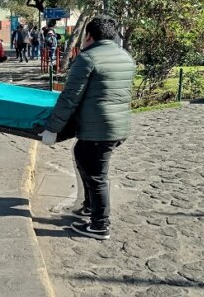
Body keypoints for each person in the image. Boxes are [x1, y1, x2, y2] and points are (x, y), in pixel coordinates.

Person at [39, 15, 136, 240]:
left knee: (96, 176)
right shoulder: (125, 57)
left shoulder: (87, 58)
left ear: (89, 35)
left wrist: (52, 128)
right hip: (118, 125)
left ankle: (100, 225)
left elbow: (69, 97)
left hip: (99, 128)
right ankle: (89, 207)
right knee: (82, 156)